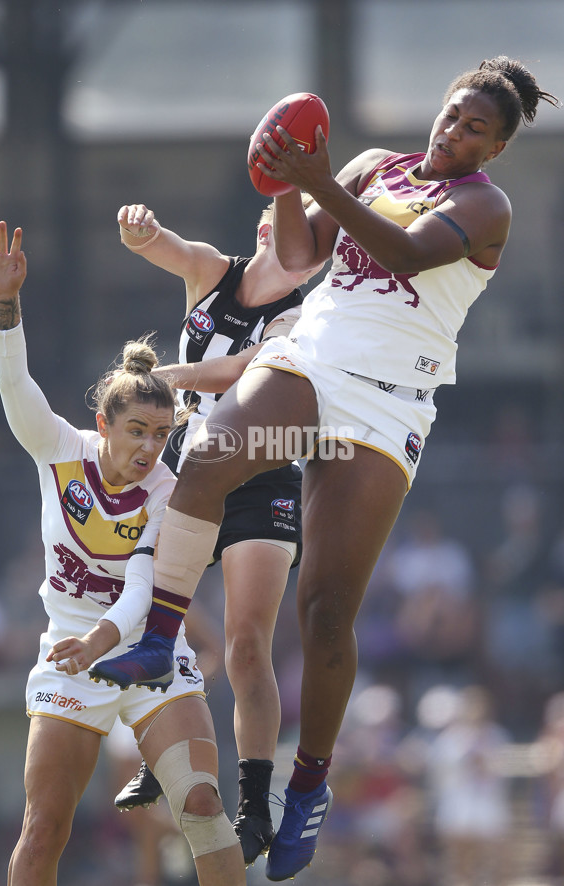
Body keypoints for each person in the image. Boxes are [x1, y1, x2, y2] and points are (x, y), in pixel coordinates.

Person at [87, 57, 559, 881]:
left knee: (327, 611)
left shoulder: (485, 205)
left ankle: (306, 786)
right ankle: (159, 638)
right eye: (452, 114)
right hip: (310, 364)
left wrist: (315, 177)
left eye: (476, 128)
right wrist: (286, 184)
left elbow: (407, 254)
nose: (454, 131)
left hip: (385, 410)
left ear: (496, 148)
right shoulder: (375, 166)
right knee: (209, 457)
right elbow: (304, 249)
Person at [0, 221, 246, 886]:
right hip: (70, 655)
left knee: (203, 806)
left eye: (161, 432)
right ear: (103, 425)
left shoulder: (169, 492)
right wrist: (5, 307)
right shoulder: (59, 449)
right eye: (135, 431)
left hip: (146, 650)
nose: (149, 447)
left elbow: (144, 590)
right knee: (43, 831)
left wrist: (102, 640)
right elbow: (16, 388)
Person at [97, 199, 324, 866]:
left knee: (246, 641)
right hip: (188, 474)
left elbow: (241, 373)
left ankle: (256, 800)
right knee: (150, 618)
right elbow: (161, 244)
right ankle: (165, 754)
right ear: (262, 229)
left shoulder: (302, 315)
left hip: (260, 474)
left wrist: (168, 380)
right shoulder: (211, 273)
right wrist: (136, 227)